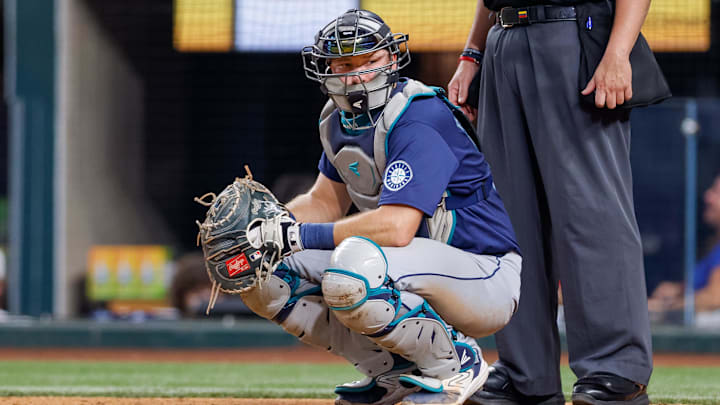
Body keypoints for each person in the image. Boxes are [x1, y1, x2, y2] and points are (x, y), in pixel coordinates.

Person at [230, 9, 522, 405]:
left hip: (482, 273)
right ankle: (394, 370)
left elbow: (398, 227)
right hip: (409, 268)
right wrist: (264, 229)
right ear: (326, 69)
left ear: (391, 58)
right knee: (263, 273)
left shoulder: (418, 115)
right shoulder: (337, 120)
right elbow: (323, 202)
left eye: (371, 61)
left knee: (354, 269)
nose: (358, 75)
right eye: (346, 64)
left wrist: (295, 235)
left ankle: (456, 362)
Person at [447, 1, 653, 405]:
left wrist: (618, 52)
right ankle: (526, 375)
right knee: (512, 221)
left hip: (574, 33)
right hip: (502, 39)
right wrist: (472, 53)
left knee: (591, 217)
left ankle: (616, 367)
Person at [648, 174, 720, 317]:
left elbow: (714, 298)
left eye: (716, 192)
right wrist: (678, 288)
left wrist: (663, 308)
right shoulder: (714, 246)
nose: (707, 196)